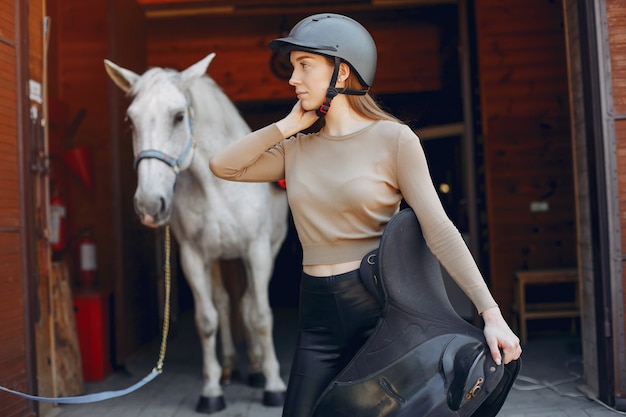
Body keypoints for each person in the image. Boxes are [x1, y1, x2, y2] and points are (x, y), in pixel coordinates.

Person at [209, 13, 522, 417]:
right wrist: (286, 126)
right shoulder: (296, 149)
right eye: (292, 68)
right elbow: (223, 166)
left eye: (305, 65)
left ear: (342, 72)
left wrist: (490, 313)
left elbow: (438, 229)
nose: (292, 79)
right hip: (317, 315)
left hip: (378, 310)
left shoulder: (393, 139)